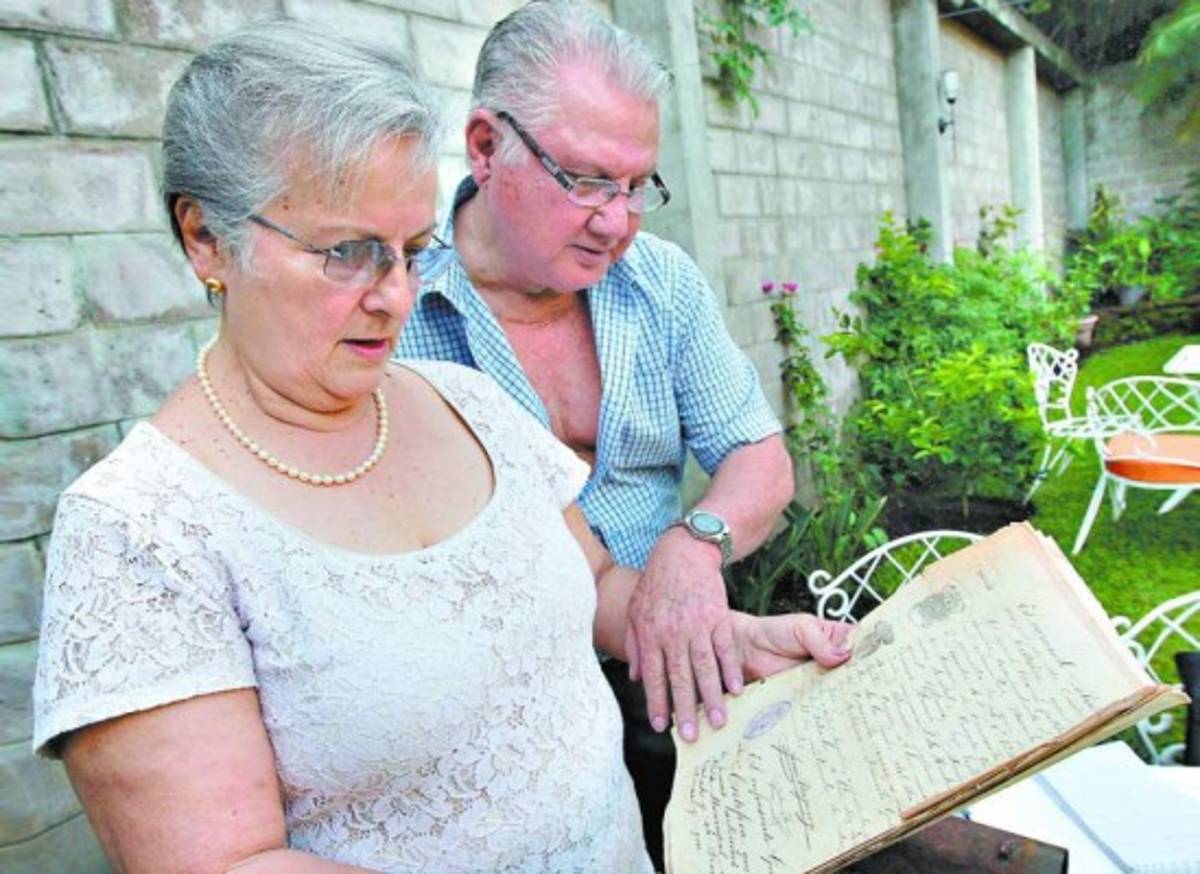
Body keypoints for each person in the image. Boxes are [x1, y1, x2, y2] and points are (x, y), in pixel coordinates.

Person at [32, 20, 851, 873]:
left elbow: (598, 583)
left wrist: (729, 644)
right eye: (348, 253)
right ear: (206, 237)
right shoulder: (139, 535)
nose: (393, 295)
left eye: (413, 251)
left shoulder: (467, 404)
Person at [398, 0, 796, 743]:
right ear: (486, 147)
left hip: (675, 664)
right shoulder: (395, 312)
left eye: (637, 184)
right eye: (584, 179)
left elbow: (759, 457)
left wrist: (694, 543)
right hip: (497, 708)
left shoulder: (661, 282)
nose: (616, 221)